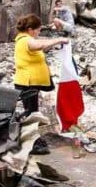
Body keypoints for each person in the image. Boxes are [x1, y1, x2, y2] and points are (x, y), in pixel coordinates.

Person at [13, 14, 66, 154]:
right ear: (30, 29)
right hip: (27, 83)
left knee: (32, 113)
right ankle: (31, 144)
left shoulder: (27, 40)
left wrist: (54, 46)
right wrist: (59, 39)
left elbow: (40, 47)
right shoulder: (25, 40)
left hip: (31, 83)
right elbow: (39, 45)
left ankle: (32, 140)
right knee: (31, 114)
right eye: (37, 30)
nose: (38, 33)